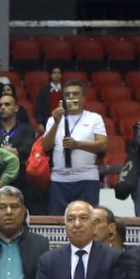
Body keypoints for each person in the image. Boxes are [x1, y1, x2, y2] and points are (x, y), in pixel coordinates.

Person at [40, 81, 106, 213]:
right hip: (59, 179)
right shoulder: (53, 120)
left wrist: (77, 145)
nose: (71, 97)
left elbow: (102, 146)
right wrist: (56, 122)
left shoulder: (94, 118)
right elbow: (46, 146)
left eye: (75, 94)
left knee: (87, 221)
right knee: (57, 224)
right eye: (67, 94)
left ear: (83, 98)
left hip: (86, 178)